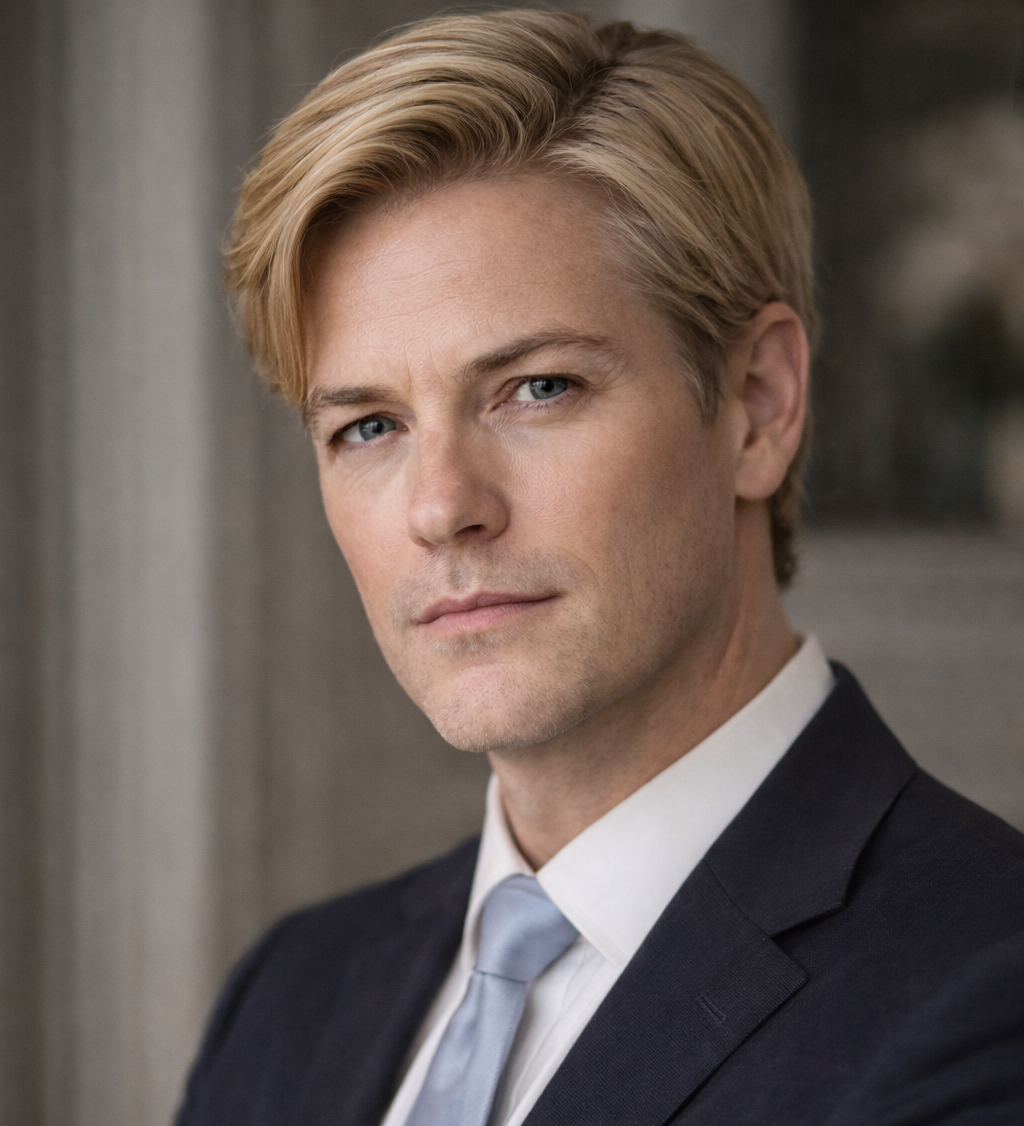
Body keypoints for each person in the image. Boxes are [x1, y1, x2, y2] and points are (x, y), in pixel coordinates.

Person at [177, 11, 1024, 1126]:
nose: (442, 507)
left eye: (538, 388)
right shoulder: (292, 992)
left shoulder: (986, 992)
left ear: (759, 408)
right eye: (369, 426)